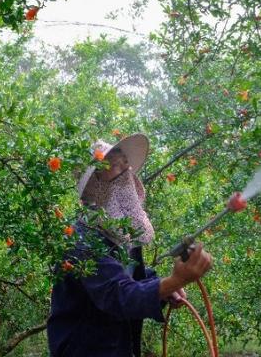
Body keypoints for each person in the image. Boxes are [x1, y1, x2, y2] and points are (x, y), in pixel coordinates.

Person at [47, 134, 213, 357]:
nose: (125, 172)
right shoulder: (81, 238)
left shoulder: (123, 231)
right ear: (94, 183)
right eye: (114, 166)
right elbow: (117, 295)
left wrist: (164, 288)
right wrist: (174, 281)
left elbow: (130, 276)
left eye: (125, 163)